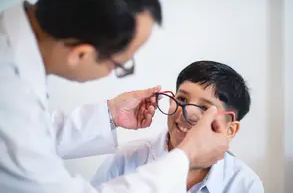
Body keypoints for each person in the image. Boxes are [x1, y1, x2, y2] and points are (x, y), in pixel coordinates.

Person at [0, 0, 229, 193]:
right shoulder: (10, 94)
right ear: (80, 55)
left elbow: (34, 137)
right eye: (121, 64)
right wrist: (185, 159)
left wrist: (109, 114)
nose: (186, 113)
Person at [91, 61, 264, 193]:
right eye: (181, 99)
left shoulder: (244, 183)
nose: (186, 112)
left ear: (230, 130)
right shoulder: (126, 159)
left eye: (205, 108)